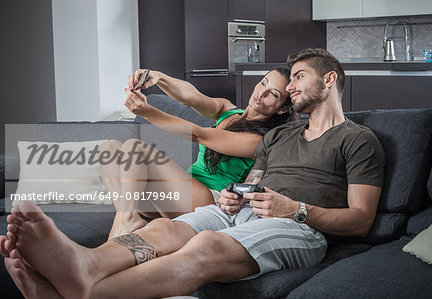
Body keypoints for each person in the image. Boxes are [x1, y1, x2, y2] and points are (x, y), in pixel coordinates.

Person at [1, 48, 385, 299]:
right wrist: (238, 194)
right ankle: (84, 265)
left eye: (297, 77)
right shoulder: (281, 135)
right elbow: (252, 181)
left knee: (205, 246)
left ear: (329, 80)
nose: (289, 85)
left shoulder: (357, 139)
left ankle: (83, 292)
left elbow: (361, 220)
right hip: (236, 211)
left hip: (300, 227)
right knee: (163, 230)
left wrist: (296, 208)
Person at [101, 67, 295, 239]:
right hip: (176, 197)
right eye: (263, 83)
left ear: (282, 109)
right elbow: (190, 96)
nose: (261, 93)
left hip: (208, 202)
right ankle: (128, 217)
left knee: (137, 149)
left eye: (273, 94)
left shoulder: (259, 140)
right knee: (109, 148)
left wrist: (147, 112)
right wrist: (158, 77)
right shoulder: (228, 111)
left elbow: (198, 135)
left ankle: (125, 219)